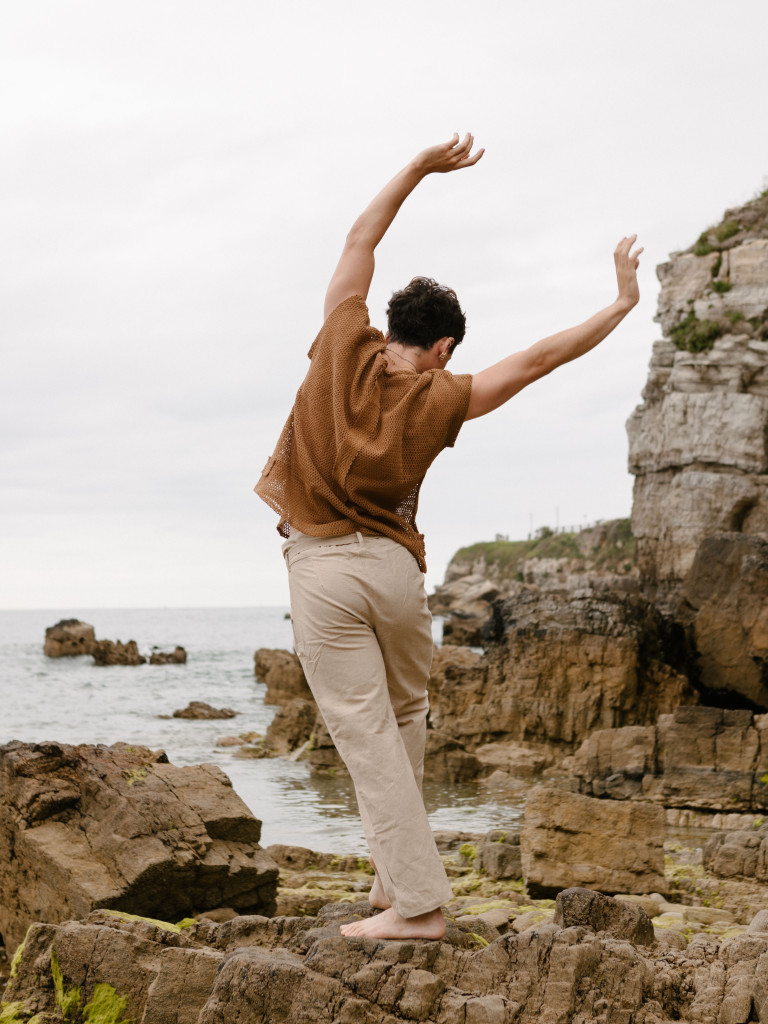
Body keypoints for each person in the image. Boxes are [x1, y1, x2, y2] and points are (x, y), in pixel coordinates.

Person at [255, 133, 642, 940]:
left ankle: (419, 908)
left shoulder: (338, 341)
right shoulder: (444, 396)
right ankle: (394, 878)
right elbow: (538, 360)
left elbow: (360, 238)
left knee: (363, 731)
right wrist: (619, 304)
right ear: (442, 348)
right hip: (397, 574)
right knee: (405, 716)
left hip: (322, 567)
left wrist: (421, 169)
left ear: (388, 323)